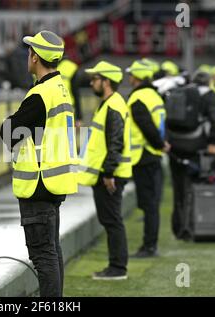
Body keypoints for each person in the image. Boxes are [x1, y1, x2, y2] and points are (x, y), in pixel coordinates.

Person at [0, 30, 78, 297]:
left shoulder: (40, 95)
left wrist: (8, 123)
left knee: (43, 255)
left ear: (35, 57)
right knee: (51, 250)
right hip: (53, 181)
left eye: (30, 51)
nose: (28, 55)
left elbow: (10, 132)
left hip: (38, 183)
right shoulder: (60, 89)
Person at [78, 61, 132, 280]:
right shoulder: (110, 103)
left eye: (95, 79)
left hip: (109, 175)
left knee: (112, 221)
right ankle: (116, 265)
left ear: (106, 81)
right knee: (110, 220)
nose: (92, 82)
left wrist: (109, 173)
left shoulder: (113, 106)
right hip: (106, 173)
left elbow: (115, 142)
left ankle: (117, 268)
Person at [167, 71, 215, 240]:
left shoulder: (182, 92)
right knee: (195, 186)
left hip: (175, 146)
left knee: (178, 189)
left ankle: (177, 227)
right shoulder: (210, 96)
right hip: (196, 147)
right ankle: (191, 226)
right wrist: (213, 142)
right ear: (209, 83)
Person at [126, 60, 170, 258]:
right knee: (151, 203)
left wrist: (159, 143)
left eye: (131, 75)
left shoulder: (137, 97)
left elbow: (146, 126)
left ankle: (149, 246)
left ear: (137, 78)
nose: (129, 78)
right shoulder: (155, 95)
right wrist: (162, 143)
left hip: (143, 155)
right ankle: (150, 244)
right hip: (153, 155)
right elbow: (158, 124)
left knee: (149, 204)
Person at [58, 58, 82, 126]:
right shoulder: (70, 66)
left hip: (68, 110)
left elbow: (75, 92)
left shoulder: (70, 67)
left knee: (69, 135)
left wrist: (79, 117)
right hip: (67, 109)